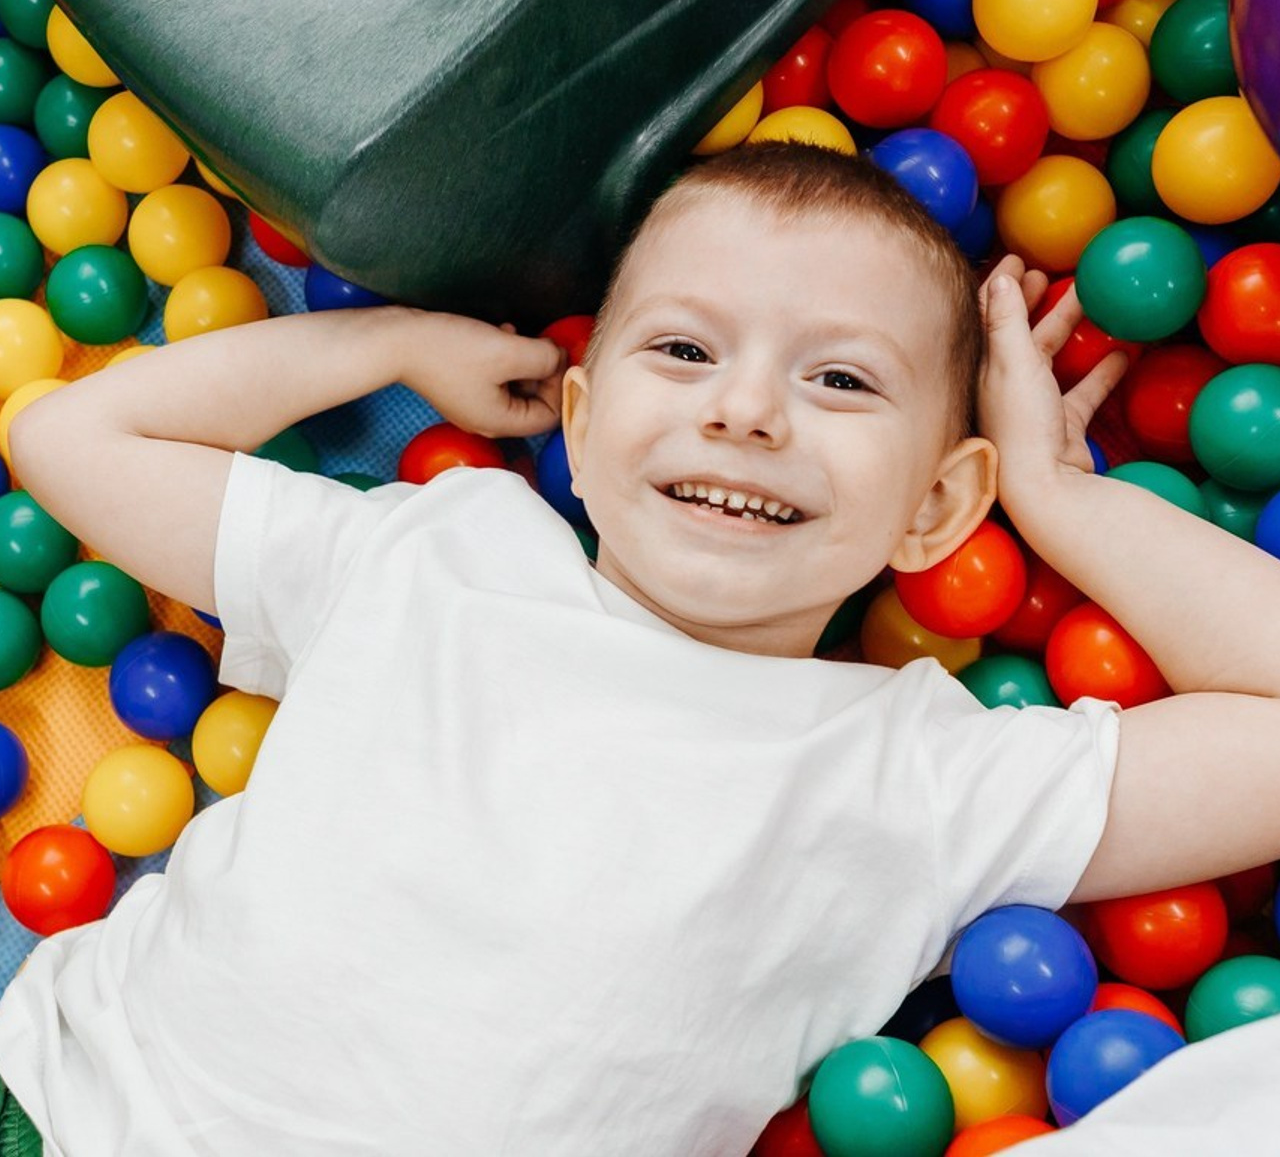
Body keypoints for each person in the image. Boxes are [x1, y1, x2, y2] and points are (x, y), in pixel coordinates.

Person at [0, 142, 1278, 1156]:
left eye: (840, 380)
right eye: (682, 349)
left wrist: (1058, 498)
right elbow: (74, 441)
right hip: (71, 1109)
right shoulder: (440, 548)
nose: (745, 408)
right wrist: (387, 344)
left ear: (936, 506)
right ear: (580, 415)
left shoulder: (913, 774)